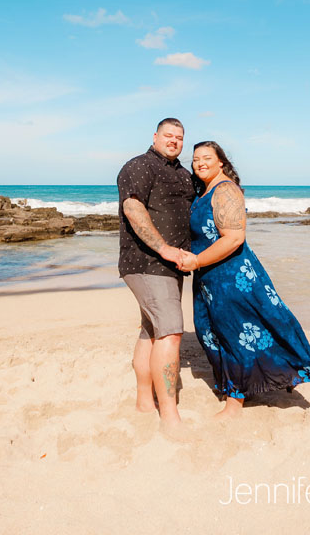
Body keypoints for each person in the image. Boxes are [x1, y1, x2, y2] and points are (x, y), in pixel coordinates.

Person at [179, 141, 310, 419]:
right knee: (209, 332)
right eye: (196, 158)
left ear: (221, 162)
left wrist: (197, 260)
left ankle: (235, 403)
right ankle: (241, 385)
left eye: (207, 158)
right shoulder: (206, 191)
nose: (200, 162)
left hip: (232, 277)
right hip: (209, 278)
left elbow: (235, 238)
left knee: (235, 333)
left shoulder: (225, 190)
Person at [117, 118, 195, 428]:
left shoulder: (183, 175)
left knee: (151, 330)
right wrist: (163, 248)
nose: (174, 141)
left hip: (169, 267)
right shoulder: (140, 166)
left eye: (179, 137)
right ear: (155, 136)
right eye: (168, 135)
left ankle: (144, 403)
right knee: (172, 332)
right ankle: (170, 413)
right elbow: (133, 209)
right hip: (146, 262)